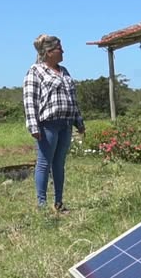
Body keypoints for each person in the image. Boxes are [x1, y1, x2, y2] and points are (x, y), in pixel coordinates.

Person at [23, 34, 86, 213]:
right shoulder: (35, 71)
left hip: (65, 124)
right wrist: (33, 126)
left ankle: (59, 203)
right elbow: (30, 101)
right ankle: (41, 205)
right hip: (47, 125)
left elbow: (72, 99)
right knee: (44, 163)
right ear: (49, 52)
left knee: (59, 163)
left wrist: (78, 121)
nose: (63, 51)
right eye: (59, 48)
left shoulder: (64, 71)